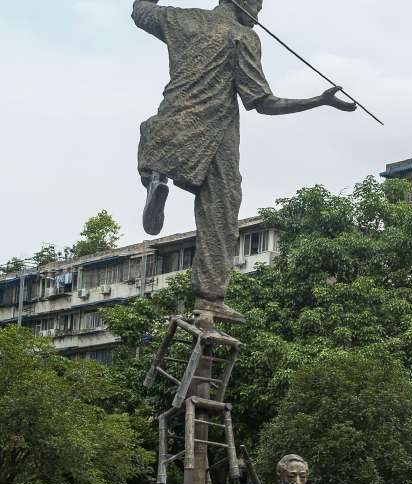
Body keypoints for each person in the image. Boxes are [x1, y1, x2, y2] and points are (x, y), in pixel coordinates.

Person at [131, 0, 357, 323]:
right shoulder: (242, 38)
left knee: (157, 146)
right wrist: (319, 101)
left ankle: (154, 177)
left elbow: (140, 11)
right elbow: (264, 103)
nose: (258, 14)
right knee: (221, 212)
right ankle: (209, 300)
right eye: (257, 5)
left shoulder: (181, 19)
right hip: (216, 135)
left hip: (170, 129)